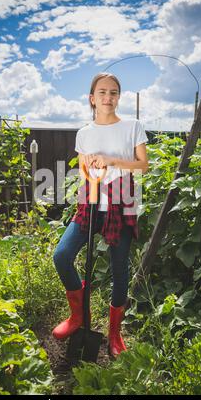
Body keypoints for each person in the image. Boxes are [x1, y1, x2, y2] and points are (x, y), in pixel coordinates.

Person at [52, 72, 149, 357]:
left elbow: (143, 165)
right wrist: (93, 169)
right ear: (92, 98)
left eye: (114, 93)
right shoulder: (84, 133)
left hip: (123, 202)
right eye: (102, 92)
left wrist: (111, 160)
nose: (108, 97)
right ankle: (77, 316)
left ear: (119, 97)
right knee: (62, 255)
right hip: (90, 200)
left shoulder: (133, 126)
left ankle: (114, 334)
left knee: (120, 271)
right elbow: (84, 168)